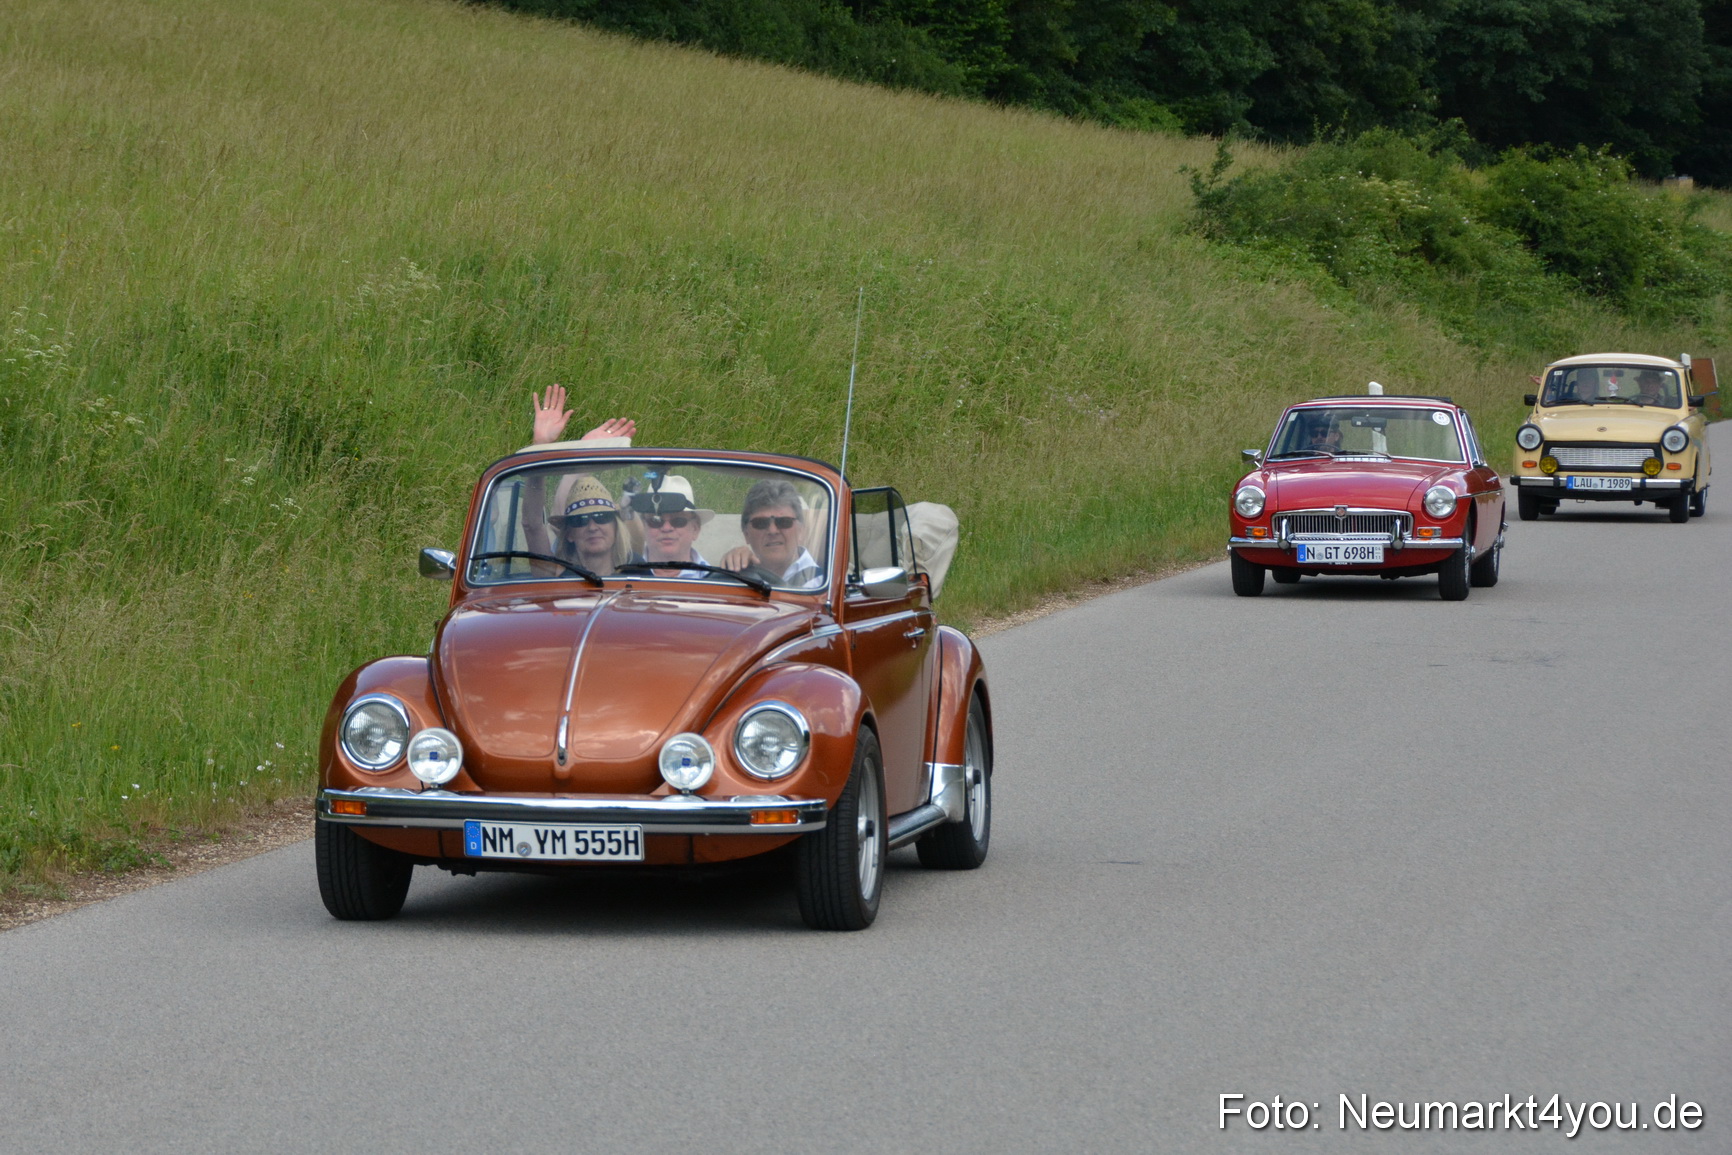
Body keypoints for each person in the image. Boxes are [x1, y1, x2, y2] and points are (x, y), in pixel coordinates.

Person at [720, 479, 823, 588]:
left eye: (784, 522)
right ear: (746, 534)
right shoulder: (736, 577)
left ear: (801, 531)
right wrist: (730, 569)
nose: (773, 531)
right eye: (760, 523)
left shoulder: (825, 585)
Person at [626, 474, 714, 578]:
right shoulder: (622, 575)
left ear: (695, 529)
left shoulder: (717, 581)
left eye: (678, 521)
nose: (666, 528)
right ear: (644, 526)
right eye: (656, 520)